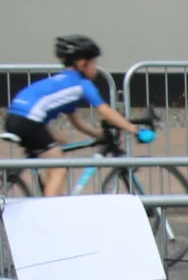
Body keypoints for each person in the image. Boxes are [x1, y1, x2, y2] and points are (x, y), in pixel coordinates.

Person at [6, 35, 150, 198]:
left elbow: (78, 123)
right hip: (29, 122)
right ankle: (50, 213)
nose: (96, 68)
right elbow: (106, 112)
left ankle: (53, 198)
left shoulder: (63, 81)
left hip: (17, 119)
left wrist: (99, 135)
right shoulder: (82, 85)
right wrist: (134, 129)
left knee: (58, 147)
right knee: (58, 168)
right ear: (82, 64)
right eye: (94, 63)